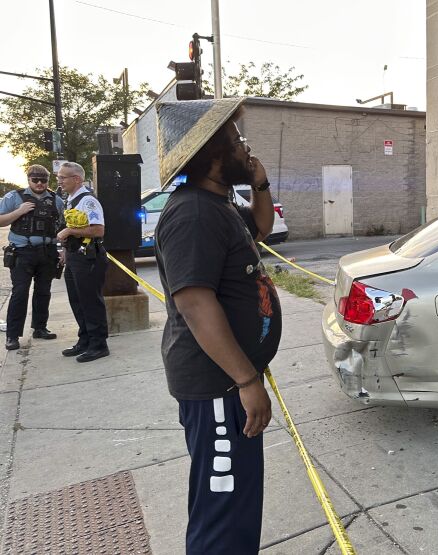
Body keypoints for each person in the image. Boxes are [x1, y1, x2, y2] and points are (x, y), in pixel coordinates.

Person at [155, 98, 281, 554]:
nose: (245, 149)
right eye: (236, 141)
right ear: (212, 155)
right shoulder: (192, 213)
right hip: (218, 386)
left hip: (230, 383)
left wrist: (259, 179)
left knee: (238, 501)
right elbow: (193, 302)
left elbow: (263, 226)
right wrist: (246, 379)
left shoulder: (219, 203)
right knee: (222, 511)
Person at [0, 165, 64, 350]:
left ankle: (40, 328)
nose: (39, 183)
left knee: (43, 292)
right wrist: (19, 211)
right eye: (35, 179)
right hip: (22, 252)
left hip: (48, 251)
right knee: (20, 293)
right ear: (28, 179)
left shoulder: (56, 200)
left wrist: (62, 250)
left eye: (43, 180)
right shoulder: (15, 197)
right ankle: (12, 336)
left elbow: (62, 226)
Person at [55, 162, 110, 362]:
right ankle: (85, 340)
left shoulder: (88, 201)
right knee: (77, 300)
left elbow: (98, 230)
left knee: (90, 301)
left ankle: (99, 344)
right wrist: (66, 253)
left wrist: (69, 231)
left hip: (89, 257)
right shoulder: (70, 199)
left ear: (76, 178)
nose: (59, 181)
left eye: (63, 177)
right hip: (75, 256)